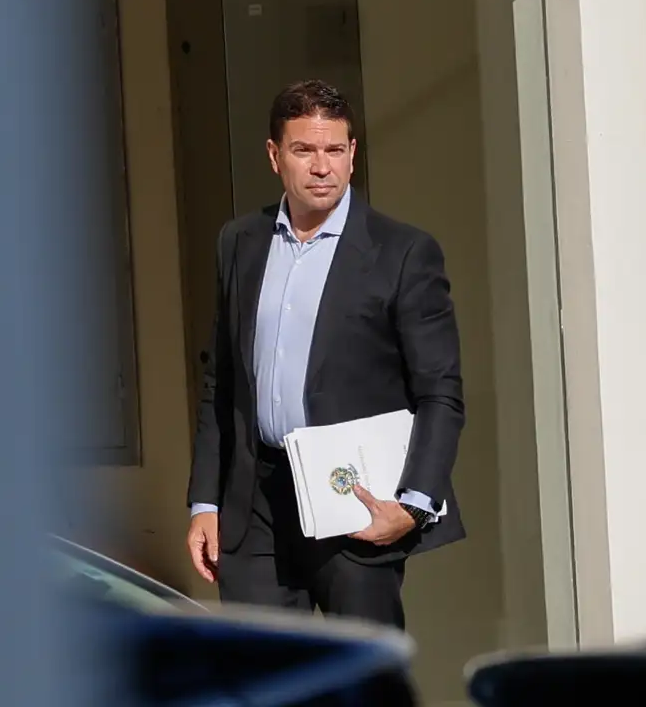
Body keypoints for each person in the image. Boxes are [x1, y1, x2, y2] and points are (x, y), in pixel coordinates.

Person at [185, 79, 466, 629]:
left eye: (335, 149)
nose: (321, 167)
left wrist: (413, 504)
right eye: (304, 150)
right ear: (274, 156)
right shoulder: (239, 242)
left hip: (355, 501)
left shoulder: (403, 252)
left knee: (360, 668)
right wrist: (205, 502)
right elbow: (222, 379)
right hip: (255, 505)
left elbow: (441, 392)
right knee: (261, 668)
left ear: (353, 154)